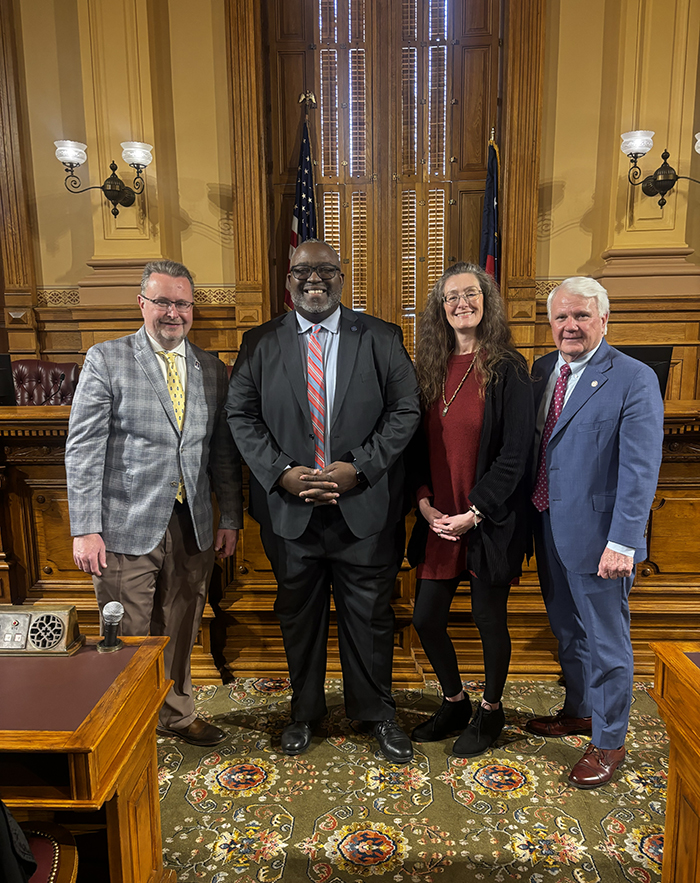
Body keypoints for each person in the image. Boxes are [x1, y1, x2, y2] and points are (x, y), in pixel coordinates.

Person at [226, 239, 421, 763]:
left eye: (326, 270)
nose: (314, 279)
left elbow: (406, 410)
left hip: (365, 511)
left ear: (343, 277)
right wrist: (283, 473)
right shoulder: (260, 341)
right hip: (290, 514)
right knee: (299, 616)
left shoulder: (381, 336)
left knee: (371, 618)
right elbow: (240, 415)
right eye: (303, 271)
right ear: (287, 279)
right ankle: (304, 713)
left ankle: (376, 712)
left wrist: (359, 467)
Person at [65, 260, 243, 747]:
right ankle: (125, 725)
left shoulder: (211, 368)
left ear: (193, 310)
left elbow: (222, 452)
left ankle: (177, 714)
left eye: (182, 303)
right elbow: (83, 449)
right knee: (127, 634)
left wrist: (229, 517)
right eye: (162, 301)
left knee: (183, 622)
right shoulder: (108, 358)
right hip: (124, 525)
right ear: (142, 304)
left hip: (193, 524)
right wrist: (85, 527)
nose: (173, 312)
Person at [526, 276, 664, 787]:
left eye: (582, 316)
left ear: (604, 320)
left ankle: (609, 741)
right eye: (561, 316)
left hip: (603, 539)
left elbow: (640, 469)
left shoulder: (633, 377)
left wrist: (623, 541)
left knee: (607, 642)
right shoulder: (544, 370)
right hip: (548, 527)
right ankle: (580, 709)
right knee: (568, 630)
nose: (570, 326)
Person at [407, 261, 534, 756]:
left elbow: (515, 454)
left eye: (471, 294)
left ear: (487, 302)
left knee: (488, 619)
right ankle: (455, 699)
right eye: (451, 297)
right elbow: (415, 449)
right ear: (441, 309)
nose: (462, 303)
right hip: (439, 519)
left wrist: (476, 511)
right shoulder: (429, 369)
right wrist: (421, 503)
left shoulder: (508, 368)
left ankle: (492, 711)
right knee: (426, 620)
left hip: (488, 520)